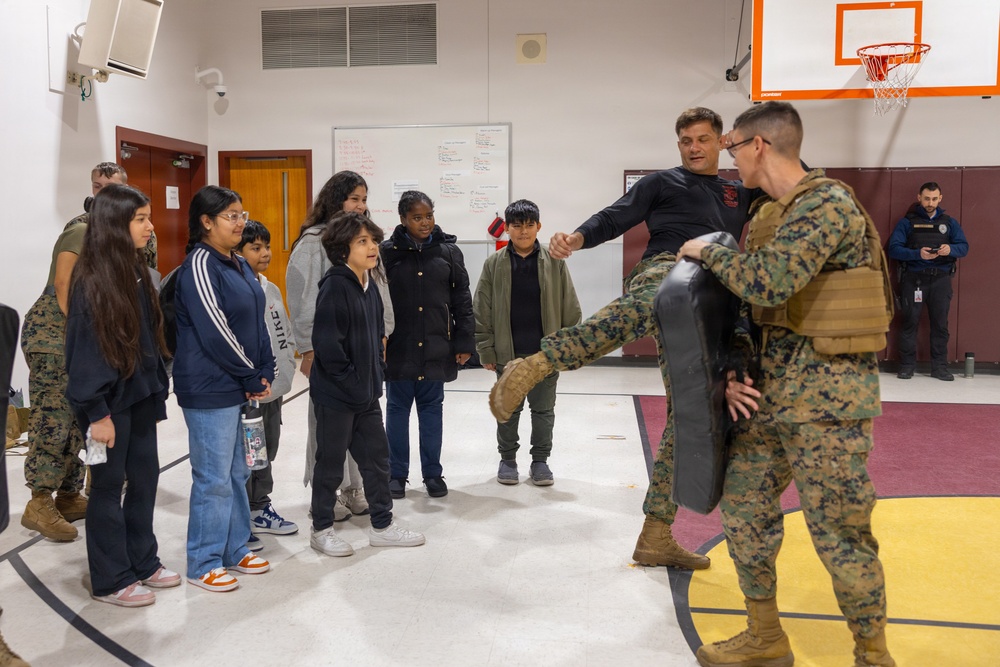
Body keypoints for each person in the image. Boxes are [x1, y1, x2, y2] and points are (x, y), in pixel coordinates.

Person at [489, 107, 763, 569]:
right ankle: (537, 363)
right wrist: (576, 239)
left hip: (717, 296)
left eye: (702, 139)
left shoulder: (742, 191)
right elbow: (616, 216)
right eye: (685, 141)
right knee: (647, 303)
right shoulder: (662, 183)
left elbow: (790, 183)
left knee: (693, 414)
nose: (693, 148)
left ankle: (656, 534)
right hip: (668, 271)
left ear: (722, 141)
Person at [677, 101, 895, 667]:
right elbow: (757, 313)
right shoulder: (774, 211)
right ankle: (765, 636)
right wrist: (736, 367)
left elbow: (768, 282)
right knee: (745, 504)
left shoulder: (826, 205)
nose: (730, 163)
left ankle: (873, 655)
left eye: (731, 150)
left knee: (839, 535)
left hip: (828, 403)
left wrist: (707, 249)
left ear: (758, 146)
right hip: (774, 396)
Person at [64, 184, 180, 607]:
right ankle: (111, 578)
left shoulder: (133, 269)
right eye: (141, 219)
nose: (151, 226)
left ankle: (143, 561)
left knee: (146, 478)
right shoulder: (91, 279)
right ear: (115, 225)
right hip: (107, 405)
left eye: (149, 217)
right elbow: (84, 353)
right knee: (109, 487)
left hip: (140, 395)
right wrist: (97, 412)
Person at [19, 161, 127, 542]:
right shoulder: (80, 229)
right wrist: (84, 338)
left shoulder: (116, 234)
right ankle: (39, 501)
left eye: (109, 189)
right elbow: (65, 287)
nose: (100, 194)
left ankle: (67, 493)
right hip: (55, 337)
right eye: (97, 187)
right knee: (54, 419)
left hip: (84, 340)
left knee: (80, 418)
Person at [173, 186, 274, 592]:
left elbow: (257, 316)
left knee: (237, 471)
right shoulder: (199, 264)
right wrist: (251, 374)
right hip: (209, 387)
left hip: (239, 383)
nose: (240, 222)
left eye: (241, 213)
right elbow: (216, 331)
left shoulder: (238, 263)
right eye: (231, 216)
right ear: (206, 222)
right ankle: (203, 561)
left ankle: (234, 548)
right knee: (213, 476)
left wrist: (263, 368)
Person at [309, 210, 425, 555]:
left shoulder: (369, 284)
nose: (373, 247)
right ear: (343, 248)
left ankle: (382, 524)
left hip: (366, 394)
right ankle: (321, 529)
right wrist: (352, 383)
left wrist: (373, 378)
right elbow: (328, 348)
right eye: (363, 241)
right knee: (329, 465)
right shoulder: (334, 287)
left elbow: (376, 338)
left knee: (377, 461)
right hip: (336, 397)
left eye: (373, 240)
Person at [286, 171, 393, 521]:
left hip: (363, 351)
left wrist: (383, 334)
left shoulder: (366, 240)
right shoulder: (314, 242)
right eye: (354, 199)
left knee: (362, 428)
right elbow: (302, 298)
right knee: (328, 429)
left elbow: (378, 290)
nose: (361, 206)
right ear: (335, 201)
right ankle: (328, 494)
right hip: (329, 353)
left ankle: (353, 489)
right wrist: (308, 348)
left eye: (364, 199)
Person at [474, 199, 581, 485]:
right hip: (507, 353)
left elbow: (570, 306)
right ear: (507, 228)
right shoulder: (494, 264)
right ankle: (507, 459)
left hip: (544, 355)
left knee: (544, 410)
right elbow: (482, 308)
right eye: (517, 226)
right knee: (508, 408)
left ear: (538, 227)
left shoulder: (554, 262)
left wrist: (565, 348)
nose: (523, 231)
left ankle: (540, 461)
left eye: (529, 225)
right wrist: (486, 350)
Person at [381, 190, 475, 499]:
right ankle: (397, 474)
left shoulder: (448, 252)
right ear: (403, 220)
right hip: (399, 348)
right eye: (417, 218)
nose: (425, 223)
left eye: (429, 216)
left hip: (437, 346)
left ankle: (433, 474)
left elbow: (462, 299)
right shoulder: (386, 252)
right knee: (396, 411)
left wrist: (464, 341)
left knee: (432, 411)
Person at [235, 221, 299, 550]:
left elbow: (283, 333)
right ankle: (243, 513)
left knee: (267, 449)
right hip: (250, 393)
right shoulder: (234, 289)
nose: (265, 254)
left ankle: (260, 507)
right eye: (255, 248)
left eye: (267, 247)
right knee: (251, 453)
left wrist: (285, 372)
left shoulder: (270, 288)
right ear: (238, 252)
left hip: (274, 390)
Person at [886, 182, 969, 381]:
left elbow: (964, 247)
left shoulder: (949, 223)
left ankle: (939, 367)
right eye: (926, 198)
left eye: (934, 198)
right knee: (909, 323)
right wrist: (917, 253)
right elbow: (893, 249)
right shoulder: (907, 222)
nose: (930, 202)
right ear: (919, 198)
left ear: (940, 198)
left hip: (940, 280)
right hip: (914, 280)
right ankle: (906, 366)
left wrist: (951, 249)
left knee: (940, 325)